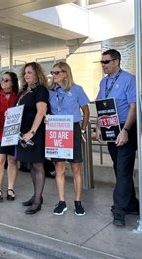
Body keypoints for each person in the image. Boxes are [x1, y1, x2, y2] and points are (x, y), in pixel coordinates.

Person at [96, 49, 139, 227]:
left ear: (116, 62)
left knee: (122, 168)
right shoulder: (103, 82)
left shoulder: (129, 79)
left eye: (106, 62)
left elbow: (133, 107)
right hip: (109, 126)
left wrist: (126, 130)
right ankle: (132, 204)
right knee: (119, 167)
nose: (103, 65)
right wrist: (99, 126)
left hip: (125, 127)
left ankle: (119, 211)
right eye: (102, 62)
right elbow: (100, 105)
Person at [47, 62, 90, 216]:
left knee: (76, 167)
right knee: (59, 167)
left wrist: (83, 129)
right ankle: (61, 202)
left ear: (66, 73)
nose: (54, 75)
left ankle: (78, 202)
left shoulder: (77, 89)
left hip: (73, 128)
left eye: (57, 72)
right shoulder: (50, 91)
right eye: (53, 72)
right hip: (56, 130)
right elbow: (45, 111)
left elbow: (85, 111)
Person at [16, 62, 49, 215]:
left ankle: (37, 201)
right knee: (30, 165)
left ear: (37, 74)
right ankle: (36, 196)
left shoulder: (40, 89)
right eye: (25, 73)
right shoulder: (24, 91)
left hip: (35, 133)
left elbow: (41, 112)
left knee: (38, 166)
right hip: (23, 134)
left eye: (29, 72)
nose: (26, 75)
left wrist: (32, 132)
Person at [0, 72, 19, 202]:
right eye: (2, 79)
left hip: (13, 133)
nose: (3, 82)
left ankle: (11, 188)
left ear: (13, 82)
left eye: (6, 80)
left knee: (12, 160)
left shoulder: (19, 97)